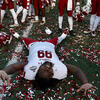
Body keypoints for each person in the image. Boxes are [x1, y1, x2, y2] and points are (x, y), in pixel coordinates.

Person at [0, 28, 95, 94]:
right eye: (49, 72)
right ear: (52, 75)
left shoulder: (31, 67)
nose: (47, 67)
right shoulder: (58, 67)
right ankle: (64, 35)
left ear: (37, 70)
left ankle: (15, 34)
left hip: (33, 45)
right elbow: (76, 70)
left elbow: (14, 67)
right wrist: (85, 82)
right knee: (58, 39)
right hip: (50, 45)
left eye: (43, 70)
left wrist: (4, 71)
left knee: (23, 39)